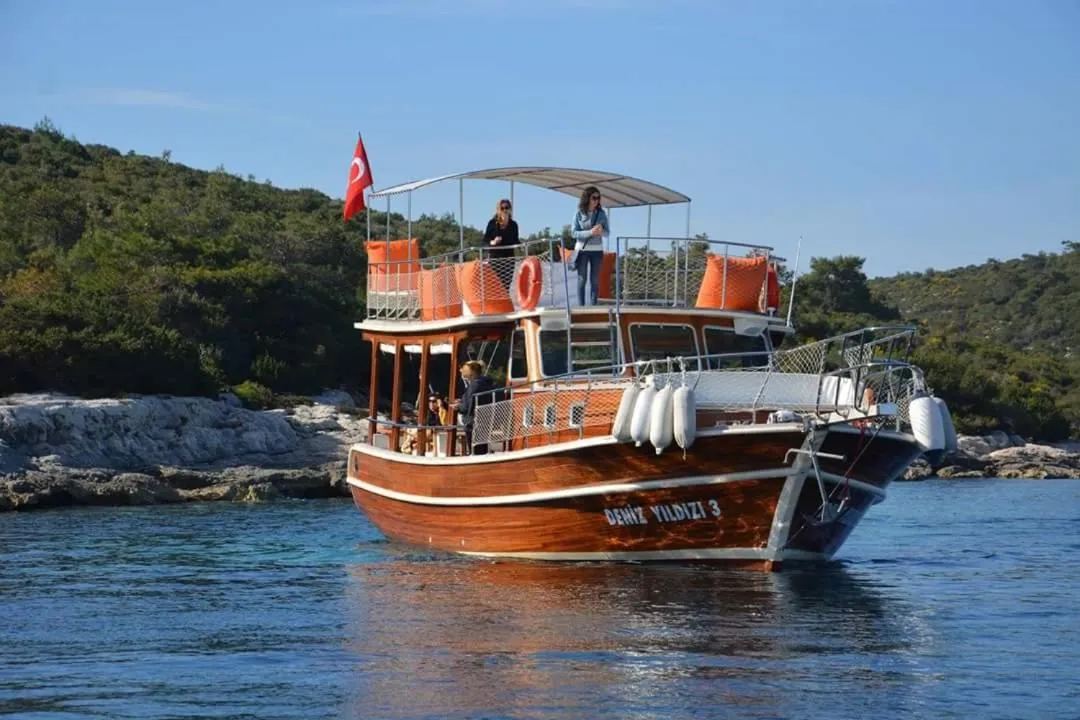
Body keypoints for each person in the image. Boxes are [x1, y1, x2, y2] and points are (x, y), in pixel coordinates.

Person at [570, 186, 609, 305]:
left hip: (597, 251)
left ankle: (593, 306)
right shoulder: (578, 213)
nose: (596, 200)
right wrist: (590, 232)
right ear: (587, 198)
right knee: (582, 280)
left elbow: (608, 233)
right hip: (582, 251)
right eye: (594, 198)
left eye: (598, 198)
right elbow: (573, 233)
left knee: (595, 281)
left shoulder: (601, 213)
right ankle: (581, 307)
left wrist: (601, 231)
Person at [451, 360, 495, 455]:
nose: (462, 370)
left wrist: (458, 407)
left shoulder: (474, 385)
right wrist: (462, 401)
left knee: (475, 451)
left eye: (465, 368)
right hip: (485, 420)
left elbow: (467, 407)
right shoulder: (486, 383)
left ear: (473, 372)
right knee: (482, 449)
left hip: (473, 423)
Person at [482, 198, 520, 290]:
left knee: (506, 285)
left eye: (506, 207)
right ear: (498, 210)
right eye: (502, 208)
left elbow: (515, 240)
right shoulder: (493, 223)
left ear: (510, 209)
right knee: (495, 285)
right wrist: (493, 242)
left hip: (509, 259)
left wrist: (522, 246)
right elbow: (485, 239)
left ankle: (505, 299)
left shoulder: (513, 225)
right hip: (495, 259)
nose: (504, 210)